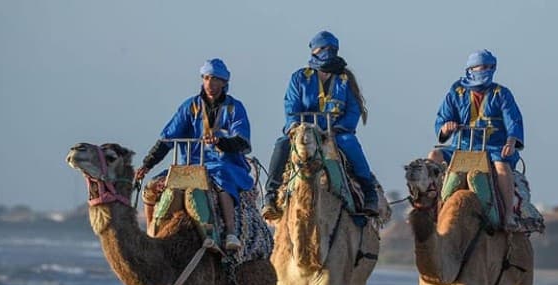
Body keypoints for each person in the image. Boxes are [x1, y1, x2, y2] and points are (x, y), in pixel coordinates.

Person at [135, 58, 253, 251]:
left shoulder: (234, 108)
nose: (210, 84)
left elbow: (242, 140)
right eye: (206, 78)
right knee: (152, 187)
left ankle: (230, 232)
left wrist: (221, 142)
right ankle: (151, 232)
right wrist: (147, 165)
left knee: (223, 182)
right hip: (188, 164)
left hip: (221, 164)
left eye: (215, 79)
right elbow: (167, 138)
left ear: (224, 83)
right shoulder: (190, 107)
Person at [261, 30, 378, 220]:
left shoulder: (344, 80)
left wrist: (338, 128)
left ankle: (368, 192)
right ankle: (271, 195)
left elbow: (353, 110)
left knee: (350, 143)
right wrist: (295, 127)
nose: (327, 52)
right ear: (313, 50)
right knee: (282, 144)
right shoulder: (300, 78)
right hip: (305, 132)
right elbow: (291, 106)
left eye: (332, 48)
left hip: (335, 133)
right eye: (323, 48)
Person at [427, 49, 525, 230]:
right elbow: (442, 119)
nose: (487, 71)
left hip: (493, 147)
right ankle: (431, 207)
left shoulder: (501, 93)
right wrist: (446, 127)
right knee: (433, 156)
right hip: (461, 146)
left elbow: (514, 120)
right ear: (471, 69)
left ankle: (509, 216)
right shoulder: (456, 92)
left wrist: (511, 142)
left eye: (490, 67)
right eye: (482, 67)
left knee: (502, 167)